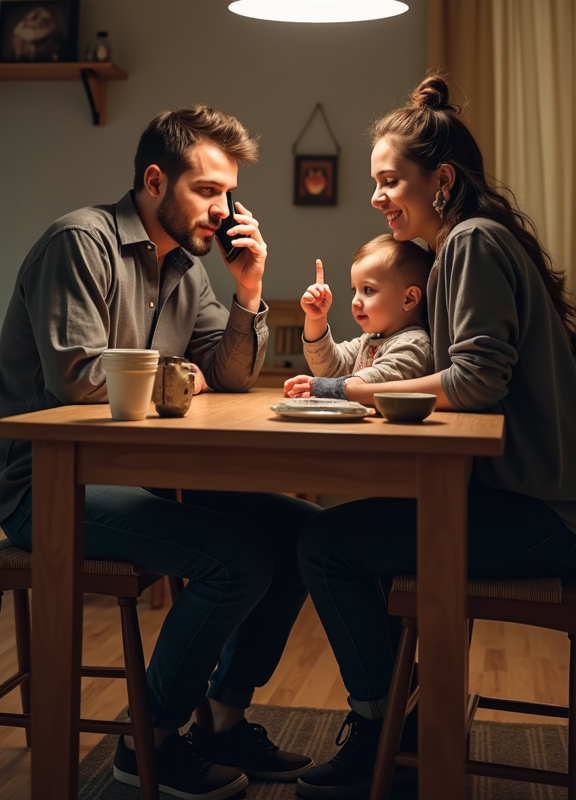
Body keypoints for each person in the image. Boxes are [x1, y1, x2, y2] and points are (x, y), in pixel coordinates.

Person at [0, 105, 317, 800]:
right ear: (154, 180)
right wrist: (179, 373)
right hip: (47, 488)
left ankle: (224, 722)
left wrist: (250, 290)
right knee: (237, 558)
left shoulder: (186, 269)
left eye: (228, 193)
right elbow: (80, 378)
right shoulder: (79, 244)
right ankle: (150, 743)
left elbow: (229, 375)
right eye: (207, 190)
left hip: (142, 477)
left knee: (303, 535)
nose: (222, 209)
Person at [294, 76, 576, 799]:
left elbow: (476, 380)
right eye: (376, 182)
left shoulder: (470, 244)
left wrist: (350, 389)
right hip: (538, 503)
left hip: (543, 516)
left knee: (325, 545)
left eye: (390, 180)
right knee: (357, 539)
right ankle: (401, 726)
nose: (378, 196)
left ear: (441, 181)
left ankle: (380, 732)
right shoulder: (472, 243)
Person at [284, 237, 433, 401]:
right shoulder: (370, 340)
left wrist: (323, 388)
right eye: (354, 290)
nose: (355, 301)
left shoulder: (414, 344)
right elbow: (329, 367)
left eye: (368, 290)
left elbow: (376, 380)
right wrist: (316, 318)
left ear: (409, 299)